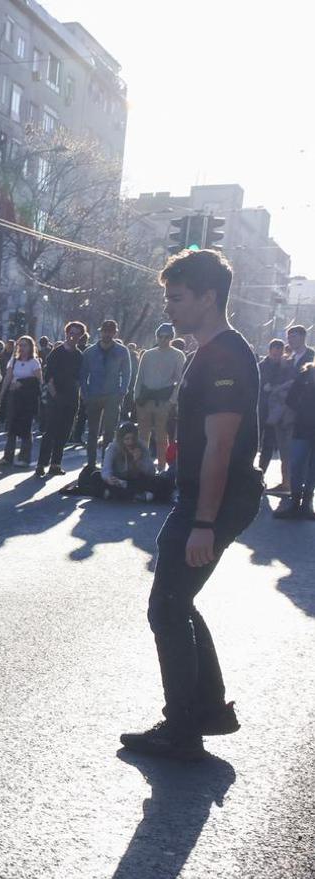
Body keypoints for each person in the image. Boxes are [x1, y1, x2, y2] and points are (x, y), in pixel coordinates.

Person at [122, 249, 263, 760]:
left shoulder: (225, 356)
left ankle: (182, 728)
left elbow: (222, 446)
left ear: (209, 297)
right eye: (167, 298)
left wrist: (203, 521)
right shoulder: (210, 352)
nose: (169, 308)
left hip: (216, 500)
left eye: (177, 298)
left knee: (166, 605)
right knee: (177, 602)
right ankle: (208, 710)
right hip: (204, 496)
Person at [74, 421, 175, 502]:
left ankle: (119, 495)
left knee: (162, 483)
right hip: (118, 480)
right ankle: (136, 495)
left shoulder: (141, 446)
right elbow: (106, 468)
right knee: (95, 477)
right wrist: (108, 478)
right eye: (127, 439)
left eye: (132, 439)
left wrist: (139, 461)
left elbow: (151, 472)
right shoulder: (113, 448)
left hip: (136, 481)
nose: (130, 442)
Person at [36, 322, 87, 478]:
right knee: (50, 431)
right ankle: (41, 464)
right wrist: (55, 395)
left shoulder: (79, 355)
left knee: (64, 432)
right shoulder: (56, 353)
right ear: (66, 333)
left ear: (81, 336)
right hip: (55, 396)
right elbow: (48, 376)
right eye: (71, 333)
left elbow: (80, 378)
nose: (73, 336)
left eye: (77, 334)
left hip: (72, 398)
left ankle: (55, 464)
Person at [80, 320, 134, 467]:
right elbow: (83, 375)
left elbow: (127, 372)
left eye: (110, 331)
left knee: (109, 432)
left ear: (115, 332)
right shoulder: (90, 352)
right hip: (94, 395)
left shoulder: (122, 351)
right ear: (101, 332)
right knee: (92, 432)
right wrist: (85, 394)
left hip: (113, 396)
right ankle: (91, 463)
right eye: (105, 331)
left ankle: (106, 463)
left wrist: (122, 392)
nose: (107, 334)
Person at [133, 323, 184, 467]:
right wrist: (136, 397)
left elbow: (180, 380)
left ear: (171, 337)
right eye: (160, 336)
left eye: (167, 336)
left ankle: (162, 466)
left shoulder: (178, 355)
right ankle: (142, 466)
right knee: (142, 436)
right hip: (145, 399)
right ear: (157, 336)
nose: (163, 339)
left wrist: (172, 401)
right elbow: (139, 377)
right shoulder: (148, 354)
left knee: (162, 437)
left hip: (163, 401)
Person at [273, 348, 315, 519]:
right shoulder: (306, 374)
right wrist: (303, 411)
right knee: (297, 465)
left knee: (313, 468)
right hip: (302, 428)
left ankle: (307, 503)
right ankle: (295, 500)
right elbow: (291, 398)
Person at [257, 336, 298, 494]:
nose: (276, 356)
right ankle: (252, 475)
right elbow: (257, 383)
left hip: (276, 411)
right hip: (261, 408)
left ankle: (261, 474)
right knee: (255, 443)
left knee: (268, 444)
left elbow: (289, 383)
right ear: (269, 351)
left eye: (278, 353)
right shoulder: (261, 365)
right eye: (273, 353)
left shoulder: (286, 366)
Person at [1, 335, 42, 468]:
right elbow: (8, 377)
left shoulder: (34, 363)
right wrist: (2, 394)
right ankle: (8, 456)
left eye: (25, 345)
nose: (22, 348)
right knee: (11, 426)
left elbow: (39, 382)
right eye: (20, 345)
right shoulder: (13, 361)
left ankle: (24, 457)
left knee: (25, 427)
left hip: (28, 399)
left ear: (31, 347)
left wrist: (22, 384)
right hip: (14, 397)